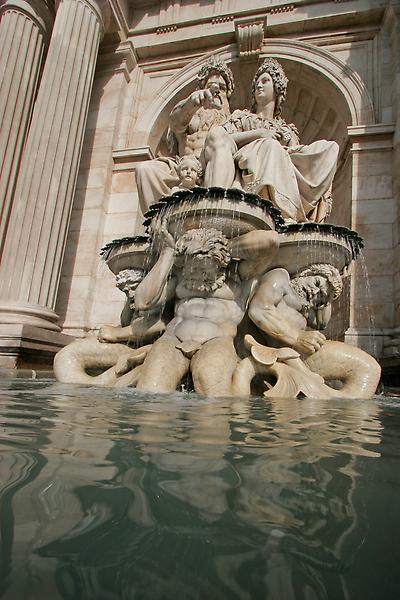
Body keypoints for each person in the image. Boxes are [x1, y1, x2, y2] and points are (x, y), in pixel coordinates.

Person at [132, 221, 279, 395]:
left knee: (211, 387)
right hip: (173, 340)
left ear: (220, 263)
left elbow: (271, 240)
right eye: (194, 269)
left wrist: (216, 247)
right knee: (150, 390)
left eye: (206, 270)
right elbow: (143, 302)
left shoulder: (238, 275)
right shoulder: (181, 277)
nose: (198, 275)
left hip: (216, 341)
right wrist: (169, 252)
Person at [203, 58, 339, 223]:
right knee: (271, 146)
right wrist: (260, 134)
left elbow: (294, 157)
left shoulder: (286, 128)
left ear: (277, 88)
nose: (259, 86)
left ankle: (291, 207)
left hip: (282, 163)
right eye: (257, 83)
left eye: (265, 81)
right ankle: (282, 212)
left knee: (330, 147)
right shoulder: (242, 116)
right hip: (249, 159)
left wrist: (290, 144)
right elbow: (222, 139)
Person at [135, 56, 234, 217]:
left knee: (218, 135)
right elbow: (175, 123)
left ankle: (215, 209)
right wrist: (192, 102)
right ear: (201, 89)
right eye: (211, 86)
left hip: (213, 169)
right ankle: (156, 223)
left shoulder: (232, 119)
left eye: (221, 88)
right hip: (182, 166)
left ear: (227, 94)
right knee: (145, 170)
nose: (216, 92)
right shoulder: (190, 113)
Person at [247, 263, 343, 356]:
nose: (314, 291)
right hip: (259, 349)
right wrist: (297, 337)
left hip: (288, 354)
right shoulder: (281, 277)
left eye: (320, 295)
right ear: (306, 273)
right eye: (316, 283)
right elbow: (259, 309)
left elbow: (322, 323)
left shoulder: (305, 310)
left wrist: (329, 298)